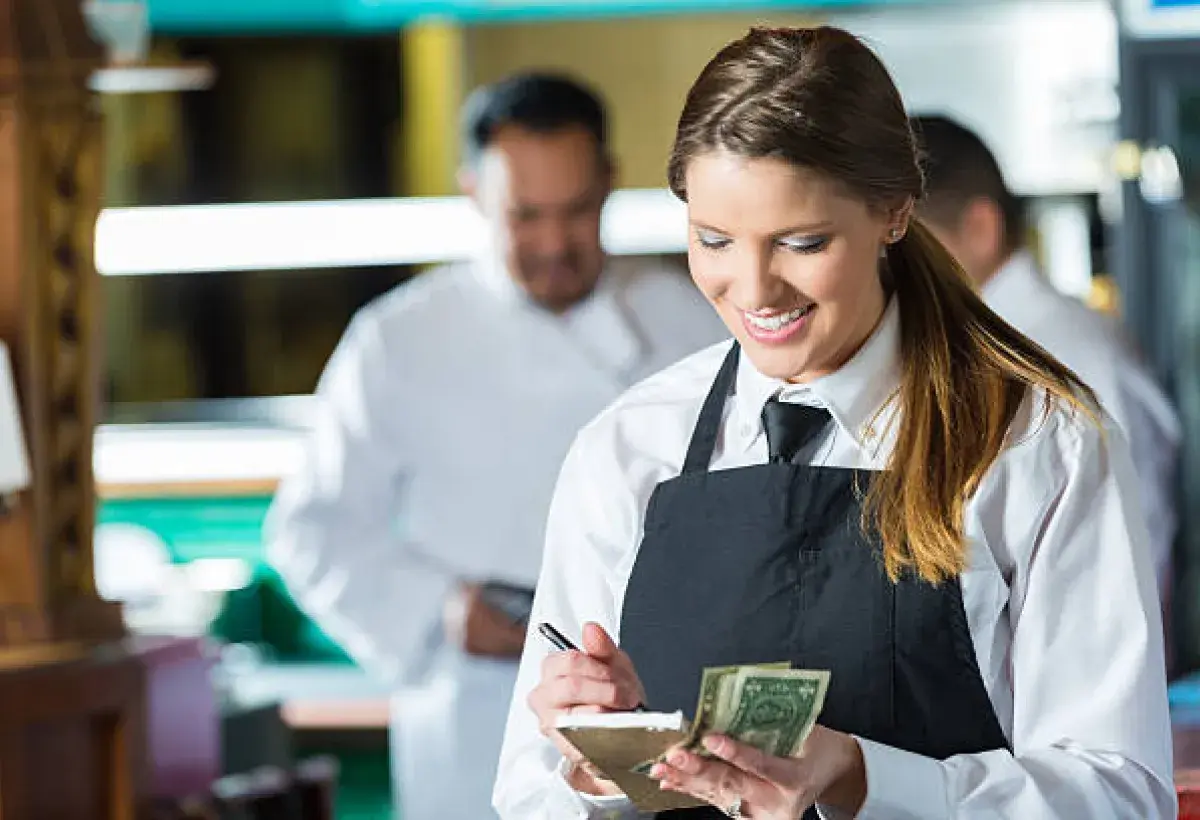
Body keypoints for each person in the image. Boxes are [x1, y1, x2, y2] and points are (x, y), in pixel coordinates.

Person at [494, 27, 1173, 820]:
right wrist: (598, 768)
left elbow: (1120, 796)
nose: (754, 289)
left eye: (802, 242)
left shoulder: (1034, 443)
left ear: (894, 212)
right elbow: (529, 794)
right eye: (713, 239)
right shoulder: (626, 448)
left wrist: (860, 777)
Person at [265, 72, 726, 820]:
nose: (553, 243)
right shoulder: (398, 340)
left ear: (610, 182)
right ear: (474, 192)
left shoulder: (693, 321)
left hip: (659, 699)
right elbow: (310, 531)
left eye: (576, 213)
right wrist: (444, 611)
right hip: (470, 711)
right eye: (525, 216)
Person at [910, 114, 1182, 601]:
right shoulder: (986, 345)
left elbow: (1125, 561)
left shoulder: (1057, 353)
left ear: (980, 228)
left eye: (909, 248)